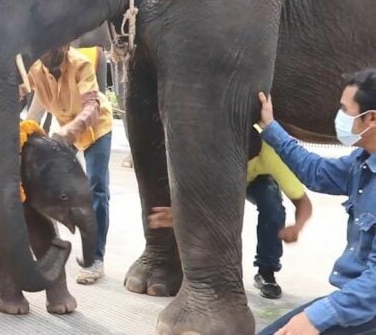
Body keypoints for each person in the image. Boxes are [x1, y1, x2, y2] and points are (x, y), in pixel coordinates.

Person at [251, 71, 376, 335]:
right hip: (360, 302)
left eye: (345, 110)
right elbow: (315, 171)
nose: (339, 117)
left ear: (371, 118)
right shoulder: (362, 164)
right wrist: (271, 127)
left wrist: (318, 316)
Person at [149, 131, 314, 299]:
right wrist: (181, 213)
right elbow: (197, 197)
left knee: (273, 207)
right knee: (213, 209)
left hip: (258, 179)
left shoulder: (269, 153)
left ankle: (266, 271)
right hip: (221, 178)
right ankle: (205, 269)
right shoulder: (213, 153)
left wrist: (297, 227)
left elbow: (303, 203)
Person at [24, 45, 113, 285]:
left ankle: (94, 259)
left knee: (96, 188)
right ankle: (45, 243)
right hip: (63, 130)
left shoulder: (80, 64)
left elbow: (92, 106)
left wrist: (72, 129)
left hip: (94, 129)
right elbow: (32, 100)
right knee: (45, 185)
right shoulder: (34, 68)